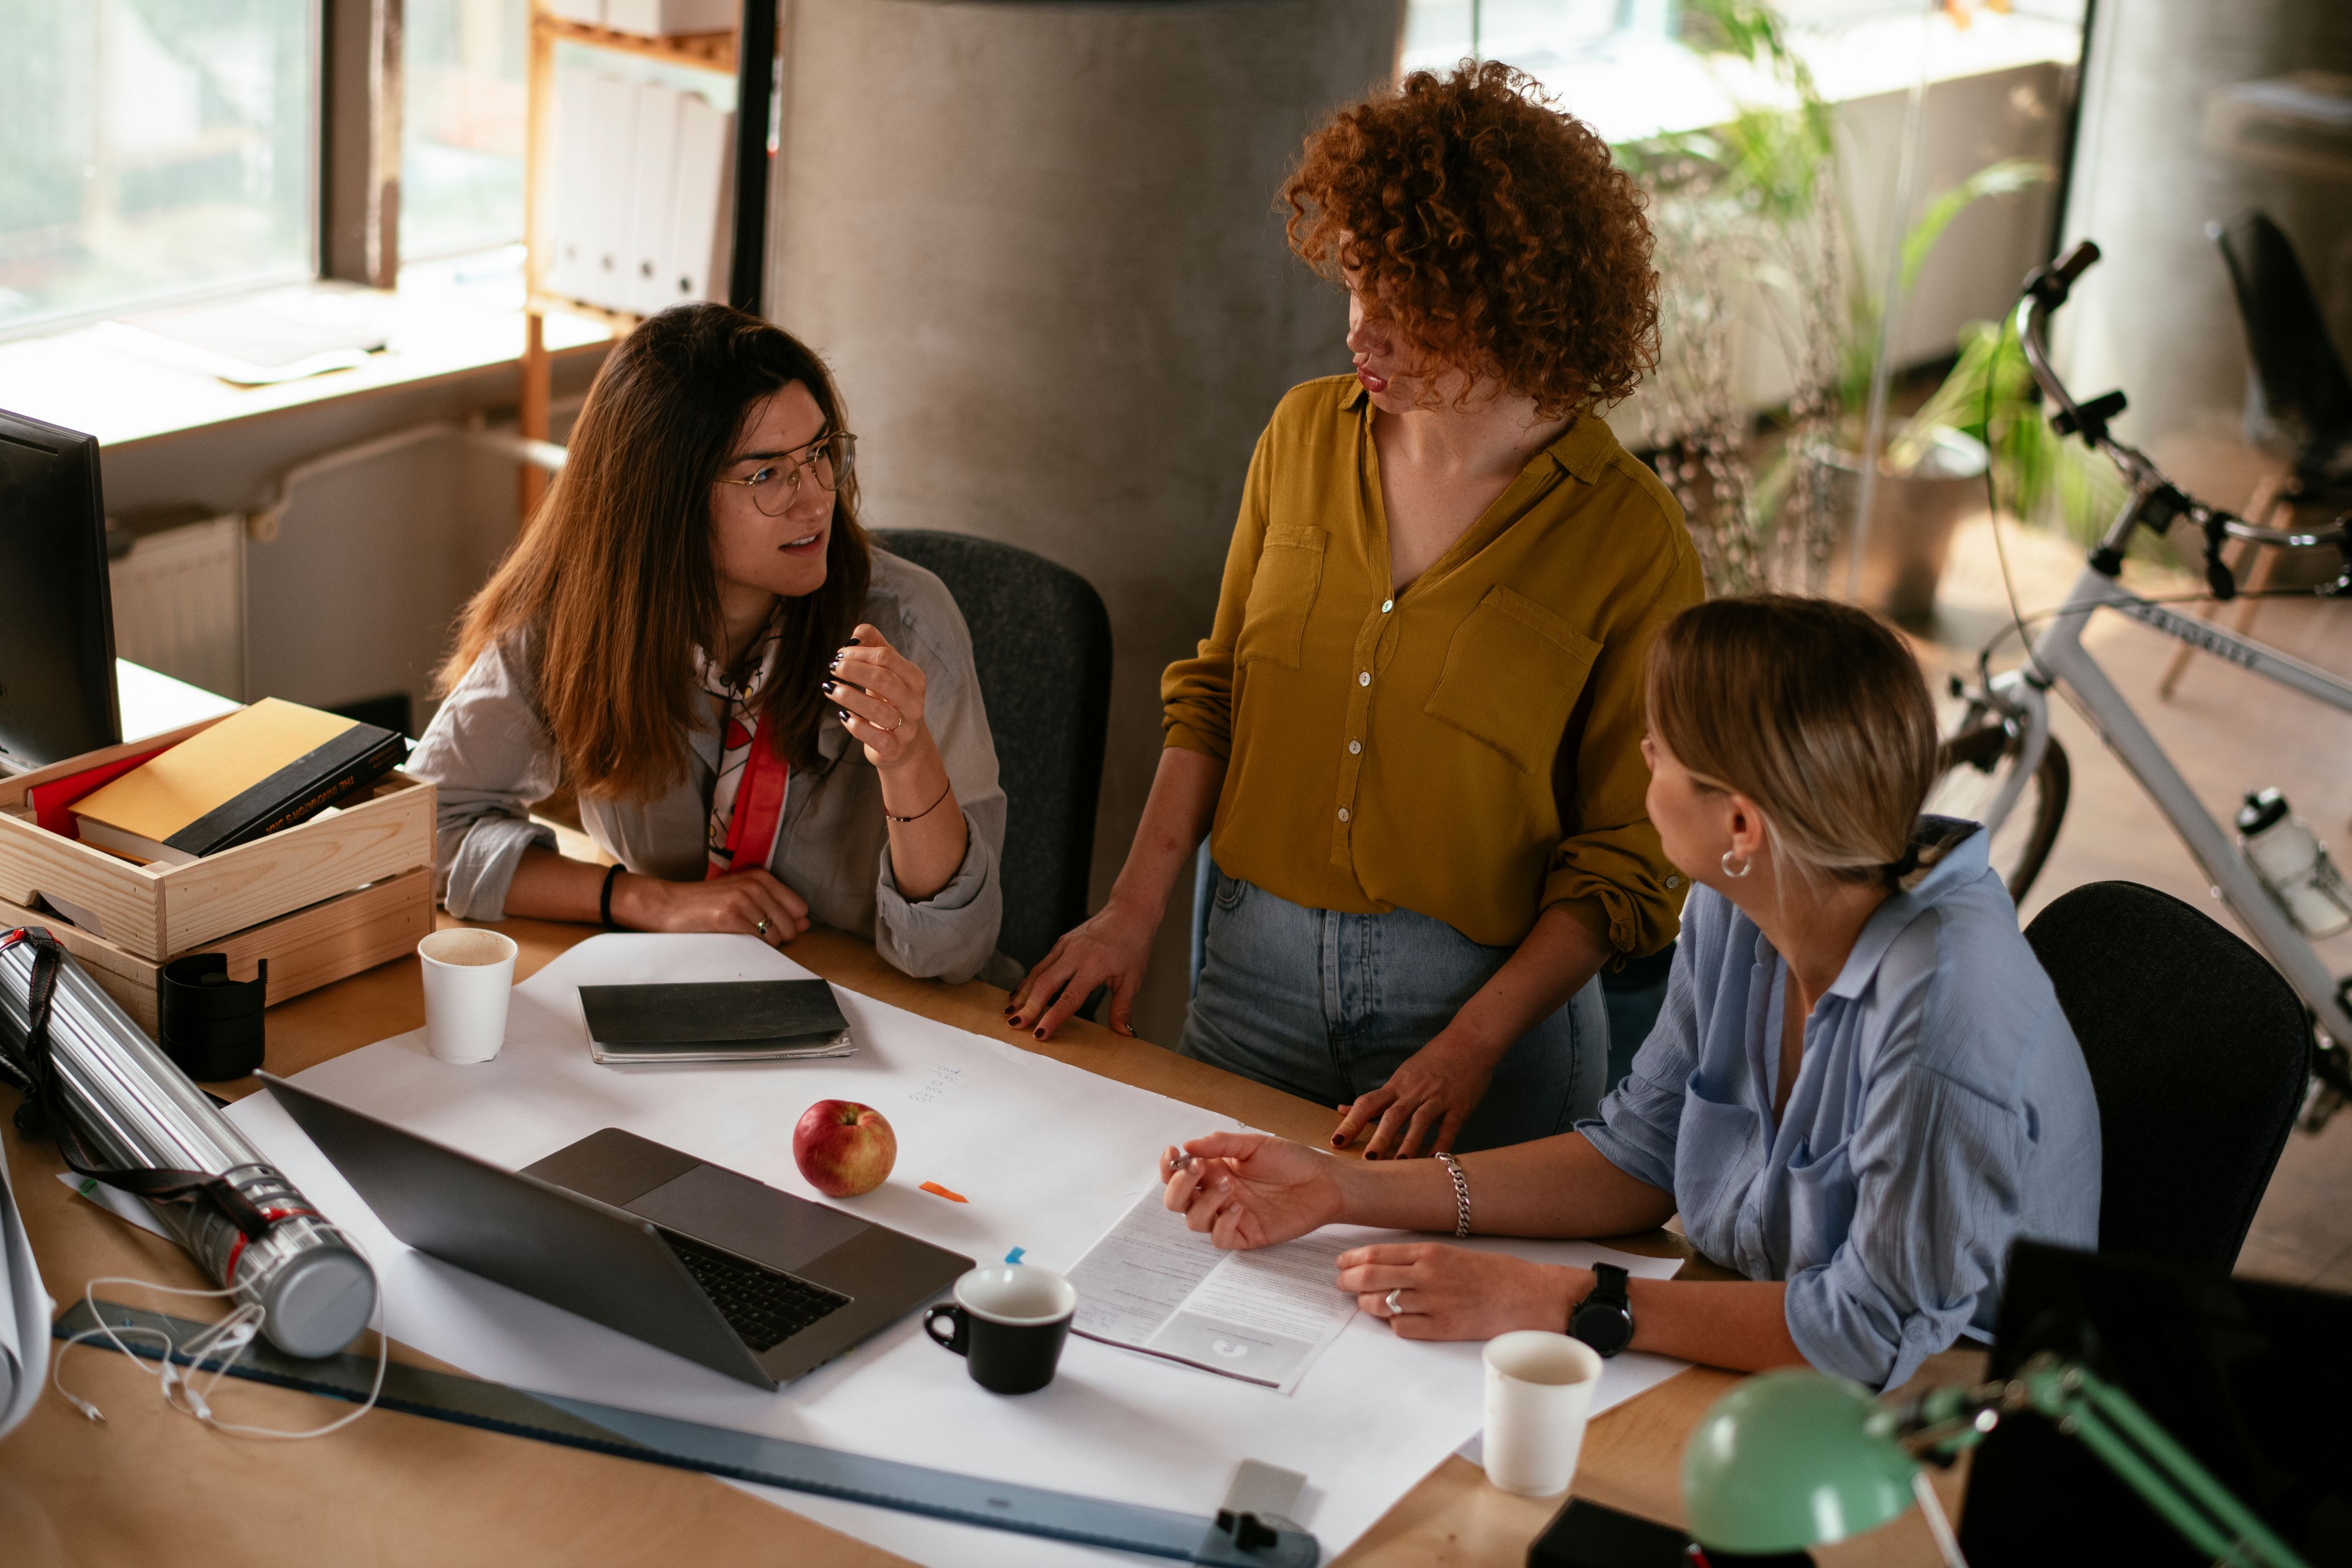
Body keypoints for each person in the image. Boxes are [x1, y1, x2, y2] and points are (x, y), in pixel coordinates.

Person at [1007, 62, 1704, 1158]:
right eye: (1357, 281)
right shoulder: (1300, 435)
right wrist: (1130, 910)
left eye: (1410, 303)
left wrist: (1473, 1042)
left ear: (1514, 302)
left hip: (1488, 1026)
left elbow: (1626, 860)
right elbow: (1214, 698)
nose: (1361, 329)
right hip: (1246, 977)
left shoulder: (1629, 538)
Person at [1155, 596, 2102, 1392]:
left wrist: (1559, 1300)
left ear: (1741, 820)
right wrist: (1348, 1187)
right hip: (1778, 1358)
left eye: (1663, 748)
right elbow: (1641, 1153)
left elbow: (1870, 1331)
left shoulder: (1947, 1016)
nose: (1643, 750)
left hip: (1951, 1419)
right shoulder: (1754, 892)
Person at [409, 305, 1005, 984]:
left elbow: (953, 953)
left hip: (888, 1019)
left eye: (818, 456)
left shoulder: (907, 626)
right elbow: (425, 833)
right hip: (676, 993)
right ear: (665, 499)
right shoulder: (581, 618)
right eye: (765, 475)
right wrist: (645, 901)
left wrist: (908, 760)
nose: (815, 502)